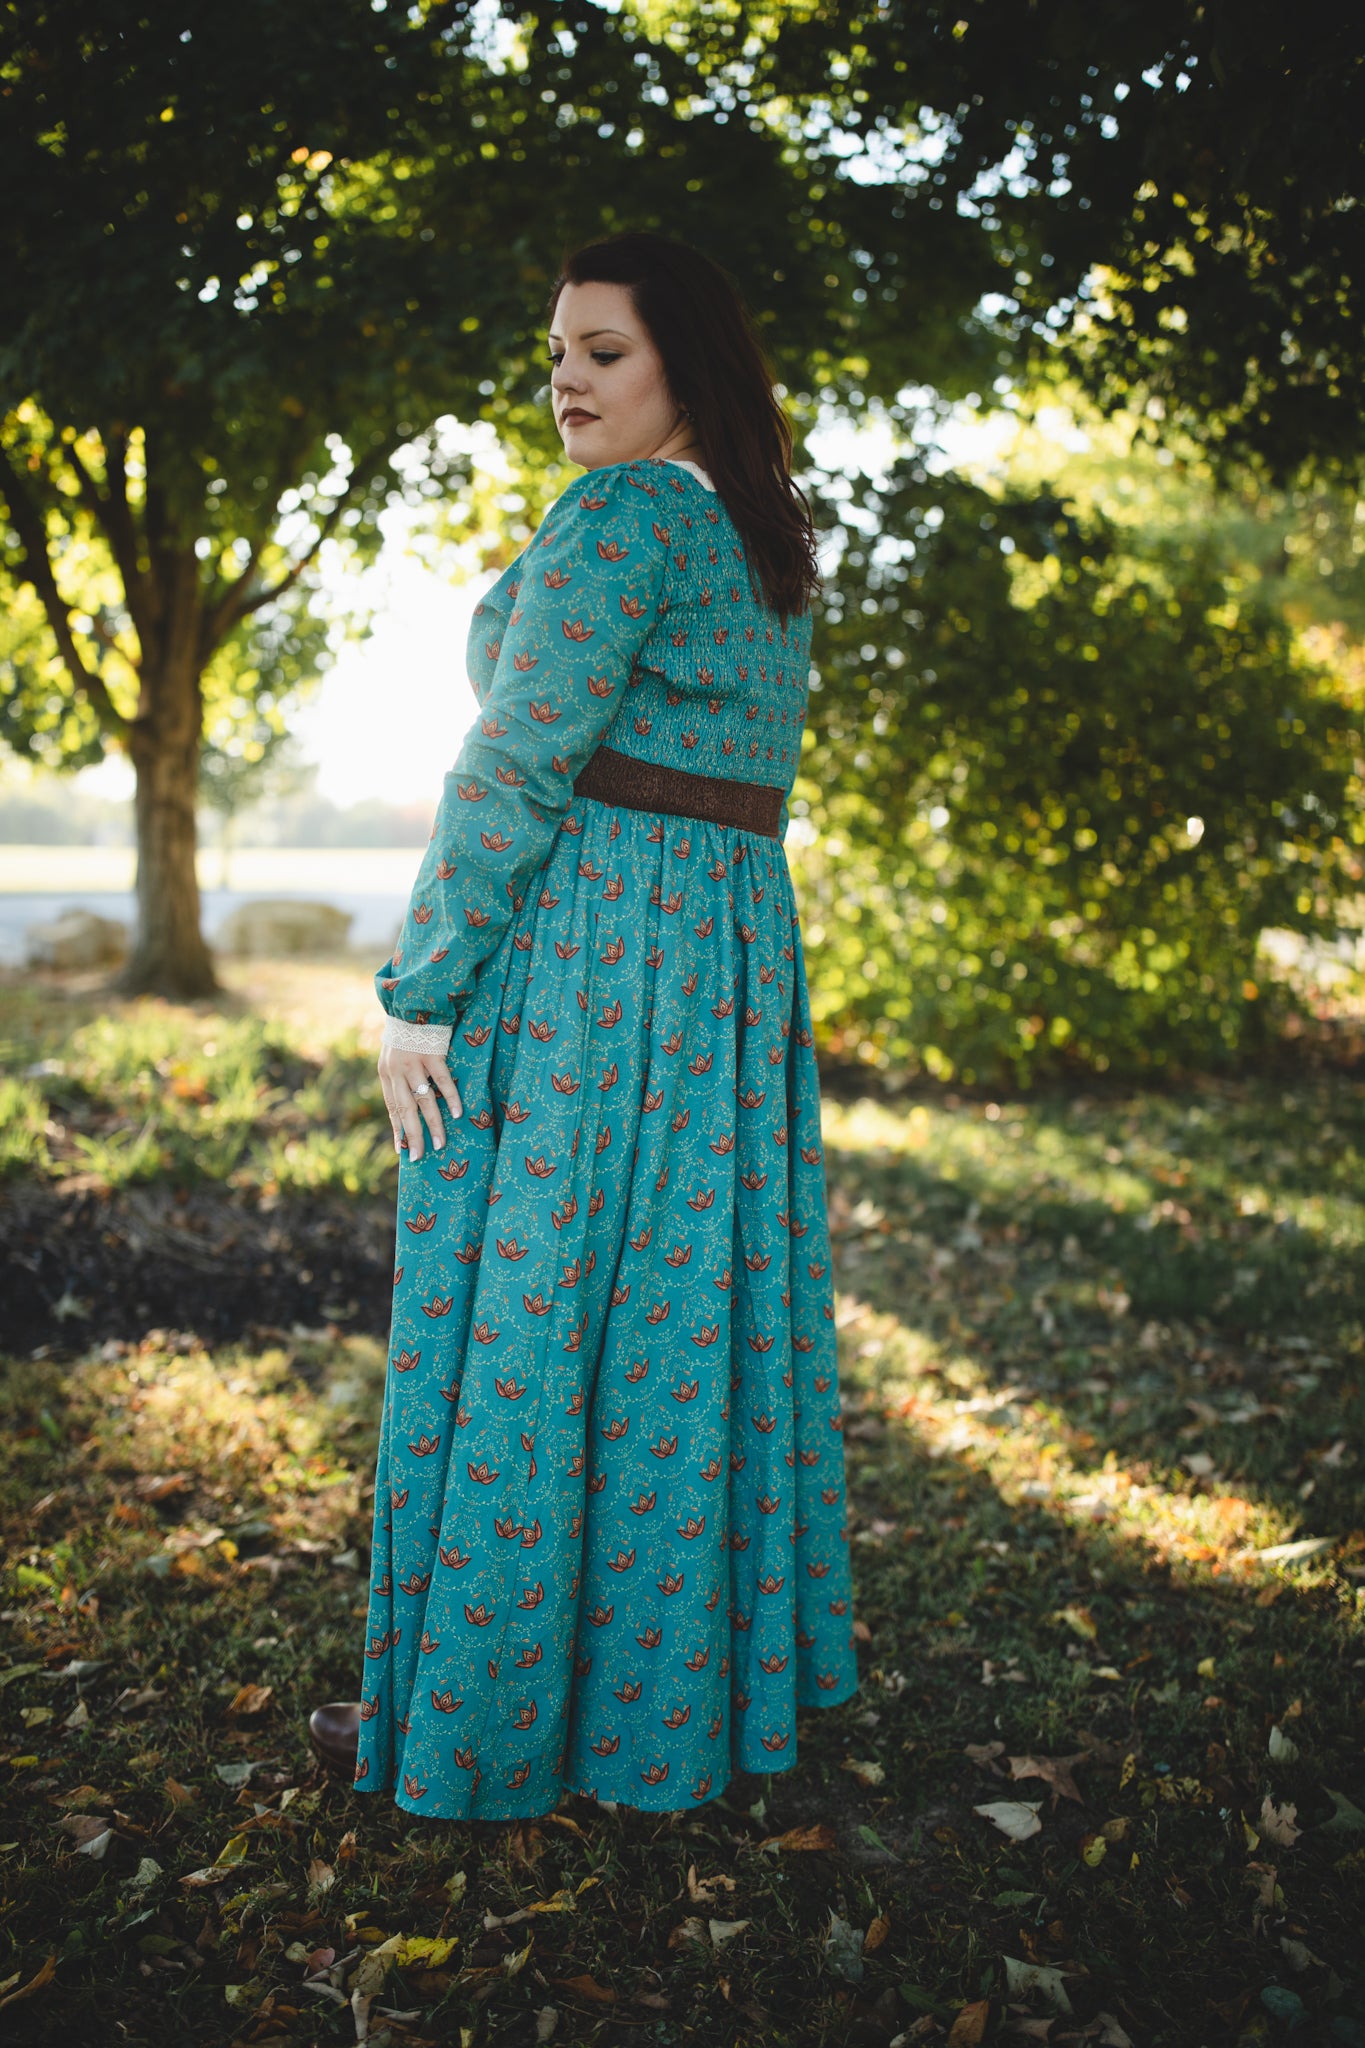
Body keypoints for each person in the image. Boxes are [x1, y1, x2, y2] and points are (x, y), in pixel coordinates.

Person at [308, 231, 860, 1821]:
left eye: (600, 351)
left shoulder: (625, 517)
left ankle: (486, 1717)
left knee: (534, 1313)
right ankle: (653, 1708)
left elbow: (513, 761)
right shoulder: (764, 538)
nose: (564, 379)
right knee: (677, 1328)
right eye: (555, 351)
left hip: (594, 964)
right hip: (722, 967)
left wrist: (419, 993)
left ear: (684, 360)